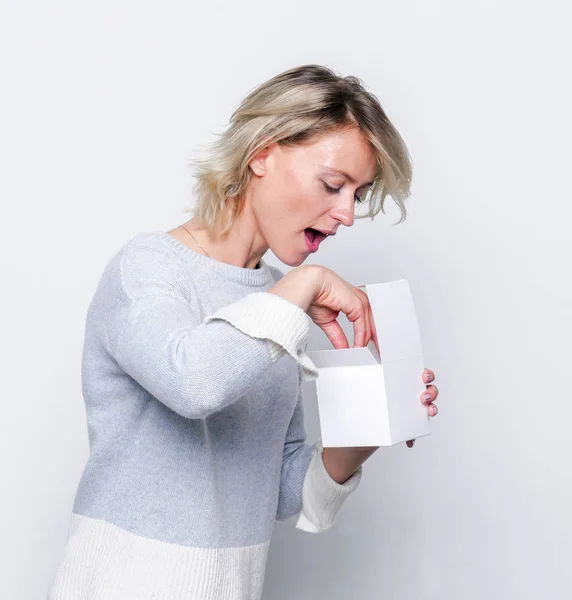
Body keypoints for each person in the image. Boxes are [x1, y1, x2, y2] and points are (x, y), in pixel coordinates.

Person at [48, 64, 439, 600]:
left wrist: (378, 419)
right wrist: (306, 286)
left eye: (359, 195)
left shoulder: (278, 298)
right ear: (261, 153)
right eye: (333, 184)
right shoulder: (146, 269)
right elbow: (194, 383)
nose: (347, 213)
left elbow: (283, 489)